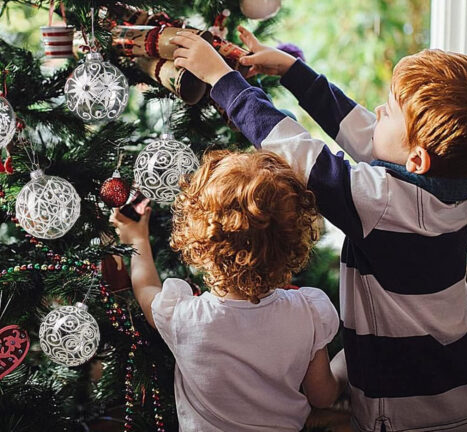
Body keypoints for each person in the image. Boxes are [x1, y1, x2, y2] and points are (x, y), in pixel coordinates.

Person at [169, 27, 467, 432]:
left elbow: (299, 152)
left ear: (418, 160)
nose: (376, 110)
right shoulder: (453, 185)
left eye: (388, 111)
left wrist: (223, 81)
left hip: (425, 418)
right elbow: (364, 132)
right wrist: (292, 71)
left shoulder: (384, 205)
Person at [110, 149, 341, 432]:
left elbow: (146, 287)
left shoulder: (184, 317)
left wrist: (136, 238)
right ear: (292, 242)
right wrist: (344, 366)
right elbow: (323, 396)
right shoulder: (308, 313)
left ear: (200, 242)